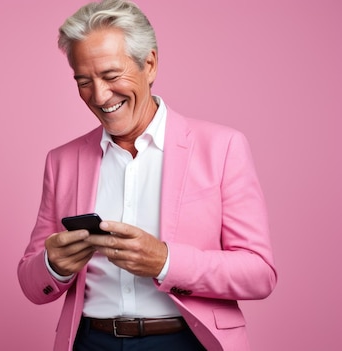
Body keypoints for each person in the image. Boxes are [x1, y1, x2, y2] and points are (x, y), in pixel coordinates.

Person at [17, 0, 277, 350]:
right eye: (83, 81)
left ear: (150, 64)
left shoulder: (222, 147)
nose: (99, 95)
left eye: (111, 76)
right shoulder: (61, 161)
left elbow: (259, 273)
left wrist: (166, 261)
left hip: (188, 341)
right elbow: (32, 283)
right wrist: (54, 265)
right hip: (92, 342)